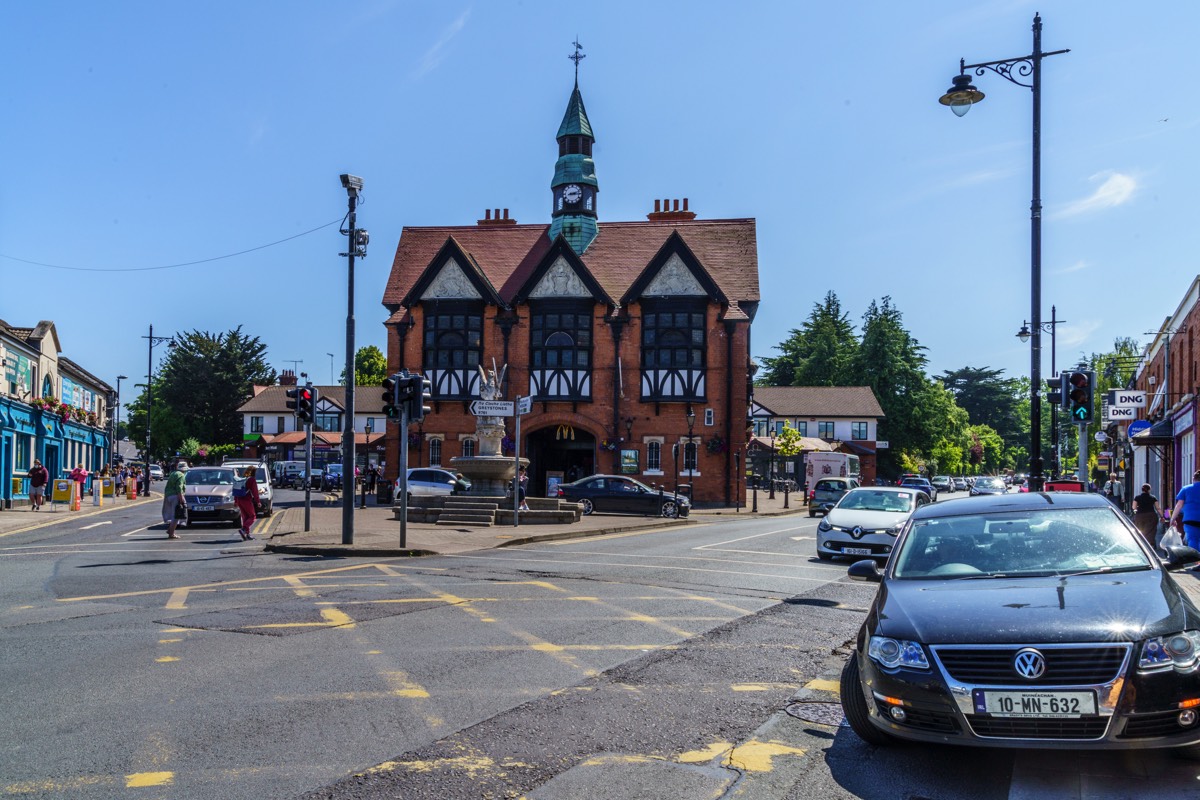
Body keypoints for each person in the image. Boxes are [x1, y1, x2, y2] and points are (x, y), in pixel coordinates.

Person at [1169, 470, 1200, 551]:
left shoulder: (1186, 489)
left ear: (1194, 478)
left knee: (1193, 540)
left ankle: (1196, 560)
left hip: (1191, 519)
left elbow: (1179, 505)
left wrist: (1173, 519)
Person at [233, 465, 260, 541]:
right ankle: (244, 529)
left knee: (245, 517)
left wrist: (236, 501)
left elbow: (236, 490)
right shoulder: (252, 480)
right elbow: (255, 492)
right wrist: (258, 501)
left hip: (239, 500)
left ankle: (247, 535)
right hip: (247, 500)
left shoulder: (242, 479)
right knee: (252, 516)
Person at [1131, 483, 1162, 548]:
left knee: (1140, 529)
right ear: (1149, 489)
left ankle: (1141, 544)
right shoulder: (1153, 497)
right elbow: (1158, 508)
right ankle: (1151, 544)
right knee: (1151, 530)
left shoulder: (1137, 497)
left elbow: (1134, 507)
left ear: (1142, 490)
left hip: (1140, 516)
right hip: (1151, 515)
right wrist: (1162, 516)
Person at [162, 461, 187, 539]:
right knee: (176, 515)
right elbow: (179, 487)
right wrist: (181, 499)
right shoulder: (181, 475)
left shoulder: (173, 474)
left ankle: (170, 530)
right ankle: (171, 533)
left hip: (169, 496)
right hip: (176, 496)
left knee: (172, 514)